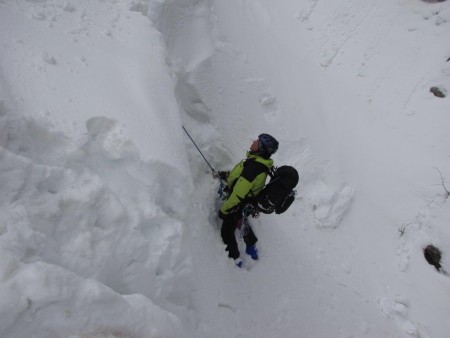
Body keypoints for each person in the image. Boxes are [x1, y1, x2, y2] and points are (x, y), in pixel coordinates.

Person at [214, 133, 279, 267]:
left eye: (257, 141)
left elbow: (238, 193)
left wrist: (225, 209)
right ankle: (251, 246)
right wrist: (222, 175)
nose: (254, 141)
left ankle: (235, 258)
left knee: (227, 230)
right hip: (249, 202)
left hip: (240, 203)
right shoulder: (259, 163)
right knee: (241, 220)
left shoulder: (253, 168)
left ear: (261, 148)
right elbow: (238, 176)